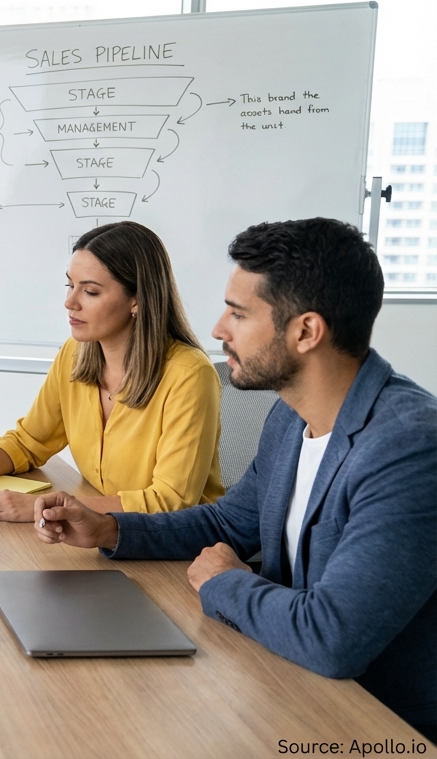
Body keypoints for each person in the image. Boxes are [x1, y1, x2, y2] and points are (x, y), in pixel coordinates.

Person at [35, 218, 437, 739]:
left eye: (239, 313)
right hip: (284, 680)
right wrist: (111, 530)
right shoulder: (293, 416)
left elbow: (332, 637)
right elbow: (231, 520)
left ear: (307, 331)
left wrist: (227, 582)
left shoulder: (408, 447)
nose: (219, 328)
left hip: (375, 723)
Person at [0, 221, 223, 520]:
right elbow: (29, 442)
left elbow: (169, 503)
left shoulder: (189, 375)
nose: (70, 302)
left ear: (137, 299)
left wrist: (40, 508)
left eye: (91, 292)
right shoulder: (75, 354)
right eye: (70, 285)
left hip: (178, 546)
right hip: (103, 531)